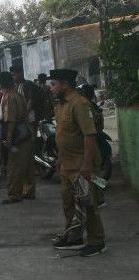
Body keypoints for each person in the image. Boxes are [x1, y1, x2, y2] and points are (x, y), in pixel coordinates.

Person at [49, 69, 106, 256]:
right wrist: (59, 159)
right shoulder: (61, 105)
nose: (51, 88)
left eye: (53, 84)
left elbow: (89, 135)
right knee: (68, 202)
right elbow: (64, 134)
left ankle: (97, 242)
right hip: (67, 163)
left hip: (82, 163)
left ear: (65, 85)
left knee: (88, 203)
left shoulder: (79, 104)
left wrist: (87, 165)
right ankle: (74, 236)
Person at [0, 71, 35, 204]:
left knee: (14, 166)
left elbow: (11, 120)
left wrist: (8, 138)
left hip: (17, 136)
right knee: (28, 165)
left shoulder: (8, 97)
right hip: (26, 133)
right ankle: (29, 191)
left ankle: (14, 194)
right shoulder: (18, 94)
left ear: (1, 83)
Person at [10, 65, 40, 199]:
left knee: (29, 150)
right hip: (21, 121)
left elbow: (31, 101)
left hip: (29, 119)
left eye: (15, 74)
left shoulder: (27, 85)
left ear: (20, 74)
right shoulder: (15, 87)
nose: (13, 77)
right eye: (12, 75)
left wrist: (24, 114)